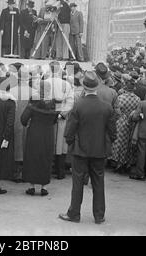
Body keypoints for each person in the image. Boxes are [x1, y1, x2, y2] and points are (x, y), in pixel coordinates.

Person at [60, 72, 116, 224]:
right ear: (97, 86)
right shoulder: (106, 107)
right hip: (99, 150)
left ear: (84, 87)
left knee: (77, 183)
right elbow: (112, 131)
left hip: (80, 149)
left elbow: (70, 130)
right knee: (99, 182)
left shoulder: (78, 106)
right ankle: (99, 215)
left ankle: (74, 213)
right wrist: (108, 143)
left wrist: (71, 142)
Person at [21, 80, 57, 196]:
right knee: (45, 158)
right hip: (48, 134)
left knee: (32, 157)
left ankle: (31, 186)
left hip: (34, 133)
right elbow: (54, 120)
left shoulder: (34, 100)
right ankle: (44, 187)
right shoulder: (53, 103)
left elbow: (23, 119)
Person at [110, 77, 141, 173]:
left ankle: (119, 163)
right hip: (132, 122)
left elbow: (117, 111)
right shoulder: (138, 99)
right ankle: (128, 162)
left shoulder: (121, 98)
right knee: (129, 143)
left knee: (120, 143)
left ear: (125, 87)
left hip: (121, 122)